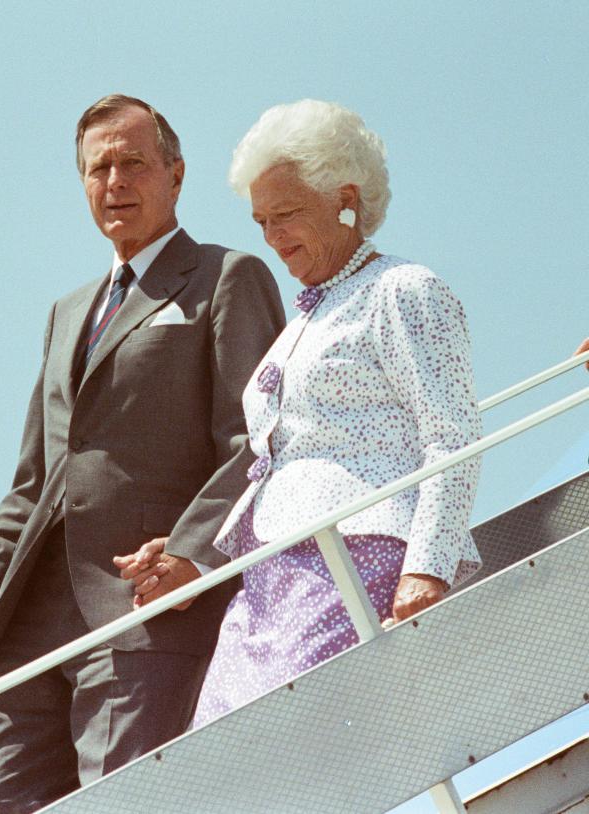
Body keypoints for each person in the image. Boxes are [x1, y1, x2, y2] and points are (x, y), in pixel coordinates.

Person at [0, 94, 285, 812]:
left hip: (143, 611)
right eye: (98, 168)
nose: (115, 181)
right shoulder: (65, 313)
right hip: (29, 630)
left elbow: (255, 444)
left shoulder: (227, 277)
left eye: (133, 162)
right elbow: (34, 484)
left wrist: (192, 556)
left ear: (176, 174)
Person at [121, 99, 483, 728]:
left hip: (356, 554)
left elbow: (453, 438)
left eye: (286, 213)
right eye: (261, 221)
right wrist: (194, 550)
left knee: (293, 752)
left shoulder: (401, 289)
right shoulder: (301, 323)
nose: (273, 237)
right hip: (268, 575)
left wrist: (428, 568)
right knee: (219, 750)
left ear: (346, 196)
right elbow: (271, 465)